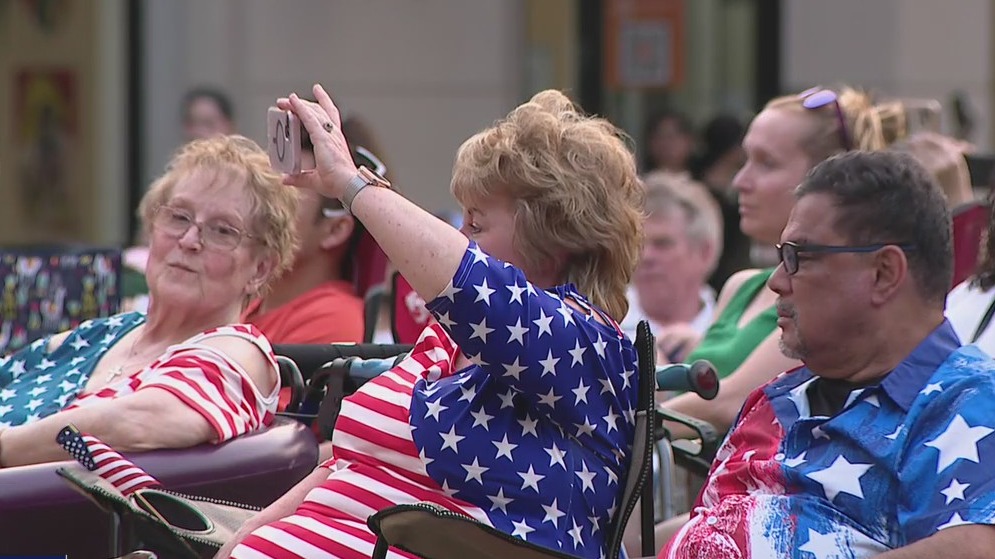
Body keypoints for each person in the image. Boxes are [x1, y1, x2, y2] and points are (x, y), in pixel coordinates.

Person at [216, 85, 644, 559]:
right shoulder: (445, 340)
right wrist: (245, 539)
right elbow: (347, 465)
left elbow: (468, 281)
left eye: (476, 225)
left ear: (555, 235)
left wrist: (351, 185)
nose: (458, 236)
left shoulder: (590, 345)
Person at [663, 150, 995, 559]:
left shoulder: (970, 403)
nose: (776, 281)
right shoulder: (773, 400)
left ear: (883, 273)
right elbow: (712, 526)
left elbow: (977, 549)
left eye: (797, 257)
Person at [0, 135, 298, 467]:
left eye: (222, 231)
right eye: (179, 217)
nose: (189, 240)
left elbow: (135, 423)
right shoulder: (106, 332)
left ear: (259, 269)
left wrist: (5, 448)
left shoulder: (239, 351)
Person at [660, 87, 906, 439]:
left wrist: (619, 433)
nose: (740, 181)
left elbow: (729, 404)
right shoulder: (742, 286)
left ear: (824, 179)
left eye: (766, 163)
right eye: (744, 160)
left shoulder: (828, 298)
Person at [241, 128, 364, 345]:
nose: (260, 208)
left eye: (286, 197)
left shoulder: (333, 319)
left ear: (335, 230)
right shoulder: (245, 304)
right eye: (262, 190)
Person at [621, 171, 722, 361]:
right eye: (638, 244)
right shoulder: (602, 326)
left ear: (704, 252)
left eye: (662, 244)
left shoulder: (730, 335)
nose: (645, 256)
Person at [643, 109, 695, 176]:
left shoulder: (703, 182)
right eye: (660, 136)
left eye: (672, 136)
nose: (666, 143)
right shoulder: (638, 181)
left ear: (689, 141)